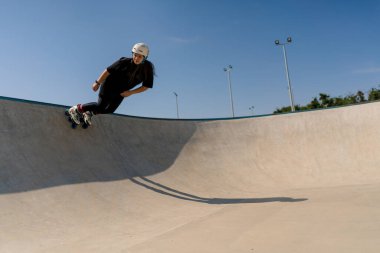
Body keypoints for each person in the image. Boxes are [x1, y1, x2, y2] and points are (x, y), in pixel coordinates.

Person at [68, 42, 155, 125]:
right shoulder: (123, 61)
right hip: (109, 85)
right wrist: (97, 83)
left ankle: (89, 113)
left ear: (145, 57)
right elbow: (108, 71)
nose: (136, 58)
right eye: (135, 55)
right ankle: (76, 109)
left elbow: (146, 86)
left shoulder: (147, 69)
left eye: (140, 56)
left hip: (122, 91)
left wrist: (131, 92)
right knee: (100, 106)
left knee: (110, 110)